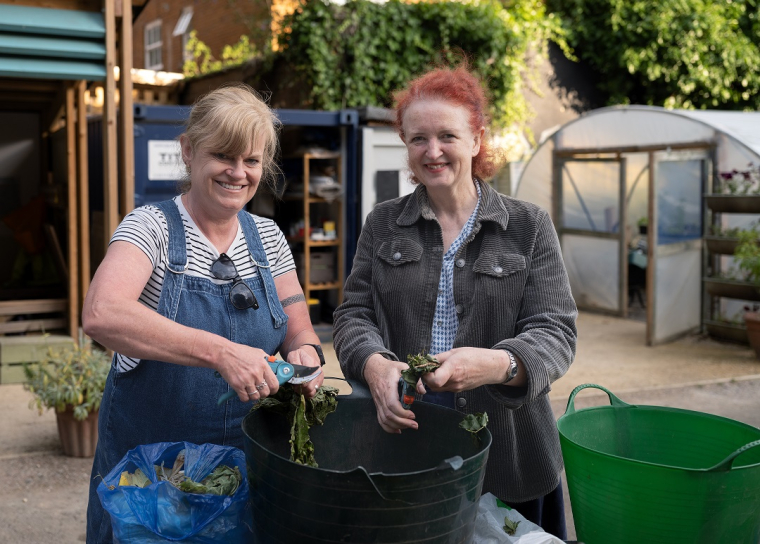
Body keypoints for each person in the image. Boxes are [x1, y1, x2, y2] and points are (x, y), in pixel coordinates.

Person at [332, 64, 577, 539]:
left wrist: (500, 364)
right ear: (405, 145)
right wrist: (376, 367)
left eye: (448, 135)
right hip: (406, 441)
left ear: (477, 139)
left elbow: (555, 331)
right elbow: (353, 315)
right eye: (418, 138)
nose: (433, 150)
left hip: (511, 453)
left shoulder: (528, 226)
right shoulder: (383, 224)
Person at [82, 84, 325, 543]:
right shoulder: (149, 228)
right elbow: (101, 313)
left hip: (243, 478)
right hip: (152, 486)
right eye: (223, 156)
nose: (238, 173)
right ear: (189, 152)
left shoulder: (269, 239)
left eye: (251, 161)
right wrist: (220, 352)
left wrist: (307, 356)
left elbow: (300, 332)